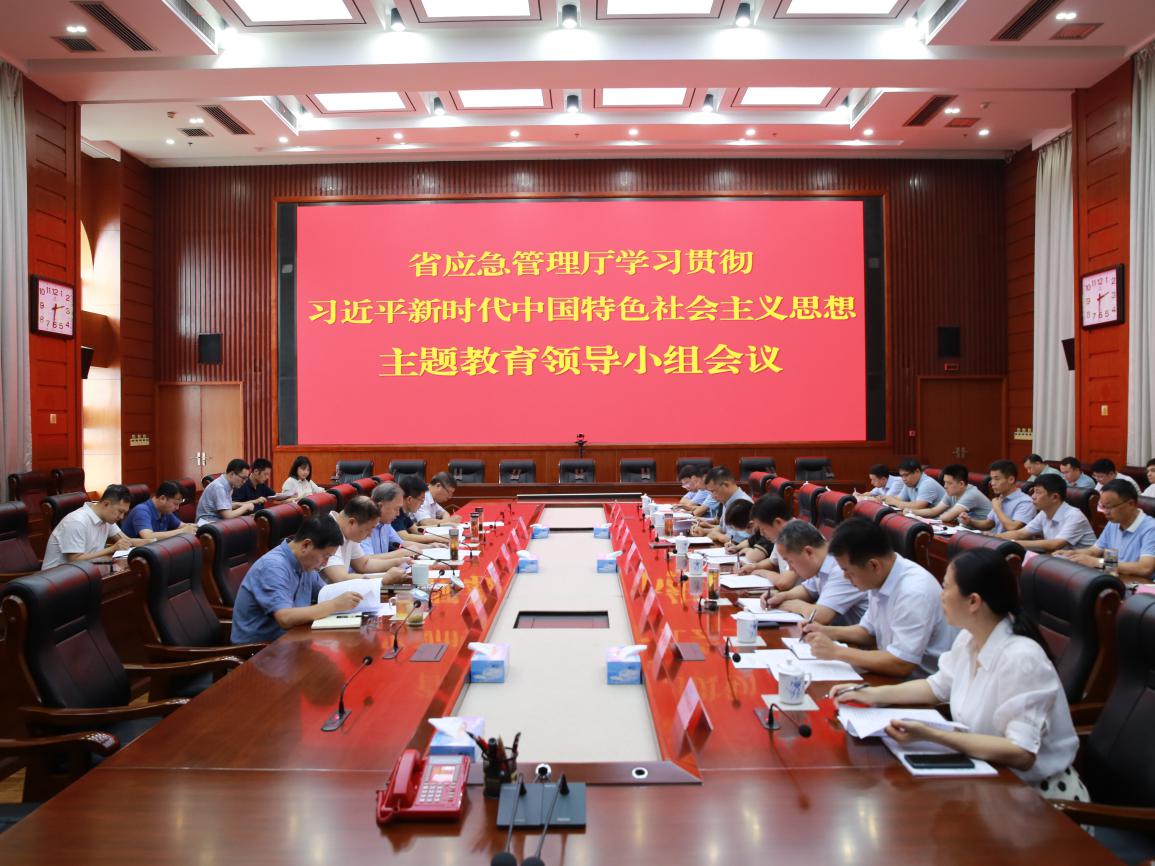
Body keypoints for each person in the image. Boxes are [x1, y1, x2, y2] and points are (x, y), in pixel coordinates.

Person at [830, 549, 1087, 801]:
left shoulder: (1021, 658)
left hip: (1038, 797)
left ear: (973, 601)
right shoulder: (969, 638)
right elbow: (935, 687)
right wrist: (870, 694)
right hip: (988, 779)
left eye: (945, 587)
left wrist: (932, 735)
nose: (940, 595)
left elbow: (1020, 752)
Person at [801, 517, 956, 677]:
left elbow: (902, 663)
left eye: (848, 571)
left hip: (918, 683)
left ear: (873, 565)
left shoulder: (914, 592)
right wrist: (826, 631)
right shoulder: (880, 577)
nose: (845, 577)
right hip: (890, 674)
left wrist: (836, 651)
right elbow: (868, 632)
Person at [229, 517, 362, 644]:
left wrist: (357, 595)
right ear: (306, 545)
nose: (325, 563)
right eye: (325, 556)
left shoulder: (305, 564)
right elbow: (285, 618)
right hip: (259, 650)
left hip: (293, 638)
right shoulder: (273, 567)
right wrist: (334, 605)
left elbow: (326, 593)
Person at [761, 520, 868, 626]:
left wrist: (790, 605)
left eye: (790, 561)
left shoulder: (842, 569)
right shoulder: (821, 562)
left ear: (808, 552)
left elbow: (821, 616)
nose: (791, 569)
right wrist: (781, 596)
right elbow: (808, 590)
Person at [1055, 479, 1155, 581]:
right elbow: (1094, 551)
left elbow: (1145, 568)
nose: (1105, 512)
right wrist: (1072, 554)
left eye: (1110, 507)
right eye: (1103, 506)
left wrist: (1097, 562)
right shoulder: (1114, 523)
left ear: (1131, 504)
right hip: (1117, 579)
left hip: (1141, 585)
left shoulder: (1151, 528)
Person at [41, 484, 146, 569]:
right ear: (106, 504)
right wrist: (112, 548)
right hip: (56, 579)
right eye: (120, 511)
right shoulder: (77, 522)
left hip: (86, 571)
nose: (122, 517)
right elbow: (75, 560)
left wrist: (152, 541)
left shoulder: (107, 518)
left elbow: (127, 541)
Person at [320, 496, 410, 585]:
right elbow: (341, 578)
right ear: (352, 522)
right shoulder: (328, 532)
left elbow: (364, 564)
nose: (370, 534)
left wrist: (399, 562)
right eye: (368, 529)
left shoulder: (348, 530)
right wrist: (385, 578)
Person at [995, 474, 1097, 552]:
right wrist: (994, 537)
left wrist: (1014, 544)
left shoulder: (1074, 516)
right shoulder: (1043, 513)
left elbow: (1055, 544)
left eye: (1038, 492)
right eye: (1033, 492)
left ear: (1054, 497)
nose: (1033, 496)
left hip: (1084, 567)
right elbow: (1021, 533)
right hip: (1060, 562)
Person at [961, 459, 1036, 533]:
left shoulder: (1026, 502)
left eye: (997, 479)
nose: (992, 483)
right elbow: (988, 524)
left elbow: (1013, 527)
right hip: (996, 539)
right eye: (992, 479)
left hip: (1012, 541)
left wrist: (997, 509)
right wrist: (970, 521)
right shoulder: (1000, 499)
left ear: (1011, 479)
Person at [740, 495, 795, 589]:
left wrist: (761, 572)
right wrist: (754, 567)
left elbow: (784, 583)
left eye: (763, 529)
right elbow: (773, 562)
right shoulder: (782, 533)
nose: (761, 534)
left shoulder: (797, 537)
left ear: (778, 522)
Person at [911, 464, 992, 523]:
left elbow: (947, 517)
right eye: (945, 482)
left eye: (949, 483)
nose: (945, 486)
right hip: (969, 531)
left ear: (961, 484)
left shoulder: (971, 494)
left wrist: (930, 520)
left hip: (986, 535)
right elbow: (934, 511)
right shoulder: (952, 491)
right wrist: (911, 511)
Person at [693, 466, 753, 545]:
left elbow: (737, 540)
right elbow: (723, 529)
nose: (712, 496)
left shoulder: (742, 504)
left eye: (713, 491)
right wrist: (704, 531)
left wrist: (717, 536)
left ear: (726, 485)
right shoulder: (727, 500)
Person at [121, 481, 196, 540]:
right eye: (175, 504)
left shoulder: (165, 511)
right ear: (162, 498)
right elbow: (148, 536)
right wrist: (183, 531)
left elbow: (182, 526)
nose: (177, 508)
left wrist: (192, 528)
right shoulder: (141, 510)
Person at [196, 459, 258, 525]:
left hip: (216, 521)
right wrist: (245, 507)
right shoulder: (219, 487)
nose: (244, 481)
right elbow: (228, 516)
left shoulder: (227, 484)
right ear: (232, 474)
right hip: (207, 524)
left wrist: (240, 505)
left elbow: (224, 505)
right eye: (243, 478)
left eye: (246, 479)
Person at [880, 458, 946, 511]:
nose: (903, 479)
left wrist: (894, 502)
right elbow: (900, 498)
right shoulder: (909, 483)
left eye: (906, 475)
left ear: (917, 471)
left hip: (944, 520)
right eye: (902, 476)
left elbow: (918, 506)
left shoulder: (927, 484)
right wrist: (884, 498)